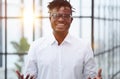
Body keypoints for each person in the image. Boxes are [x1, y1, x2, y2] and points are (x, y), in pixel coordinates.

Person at [16, 0, 102, 79]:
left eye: (66, 16)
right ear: (50, 19)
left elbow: (91, 76)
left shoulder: (84, 47)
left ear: (71, 20)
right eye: (56, 15)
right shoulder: (36, 46)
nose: (61, 19)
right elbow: (30, 75)